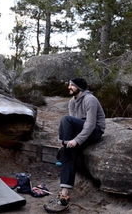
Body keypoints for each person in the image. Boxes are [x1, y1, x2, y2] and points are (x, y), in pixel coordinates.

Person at [44, 78, 106, 213]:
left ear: (80, 87)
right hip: (82, 130)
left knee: (65, 119)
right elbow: (71, 126)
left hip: (95, 131)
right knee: (70, 152)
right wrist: (67, 141)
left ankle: (64, 152)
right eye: (69, 85)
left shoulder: (90, 99)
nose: (69, 87)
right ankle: (64, 195)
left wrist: (76, 140)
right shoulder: (72, 102)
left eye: (72, 85)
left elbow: (90, 125)